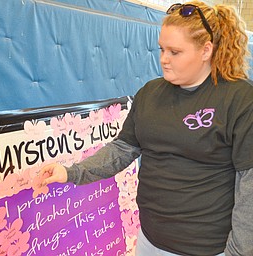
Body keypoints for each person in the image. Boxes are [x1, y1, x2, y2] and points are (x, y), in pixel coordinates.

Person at [40, 1, 253, 255]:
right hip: (149, 239)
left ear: (206, 50)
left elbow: (249, 184)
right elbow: (122, 148)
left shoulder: (240, 99)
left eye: (175, 52)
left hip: (206, 247)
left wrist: (239, 252)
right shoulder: (150, 93)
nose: (164, 59)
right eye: (161, 49)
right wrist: (72, 173)